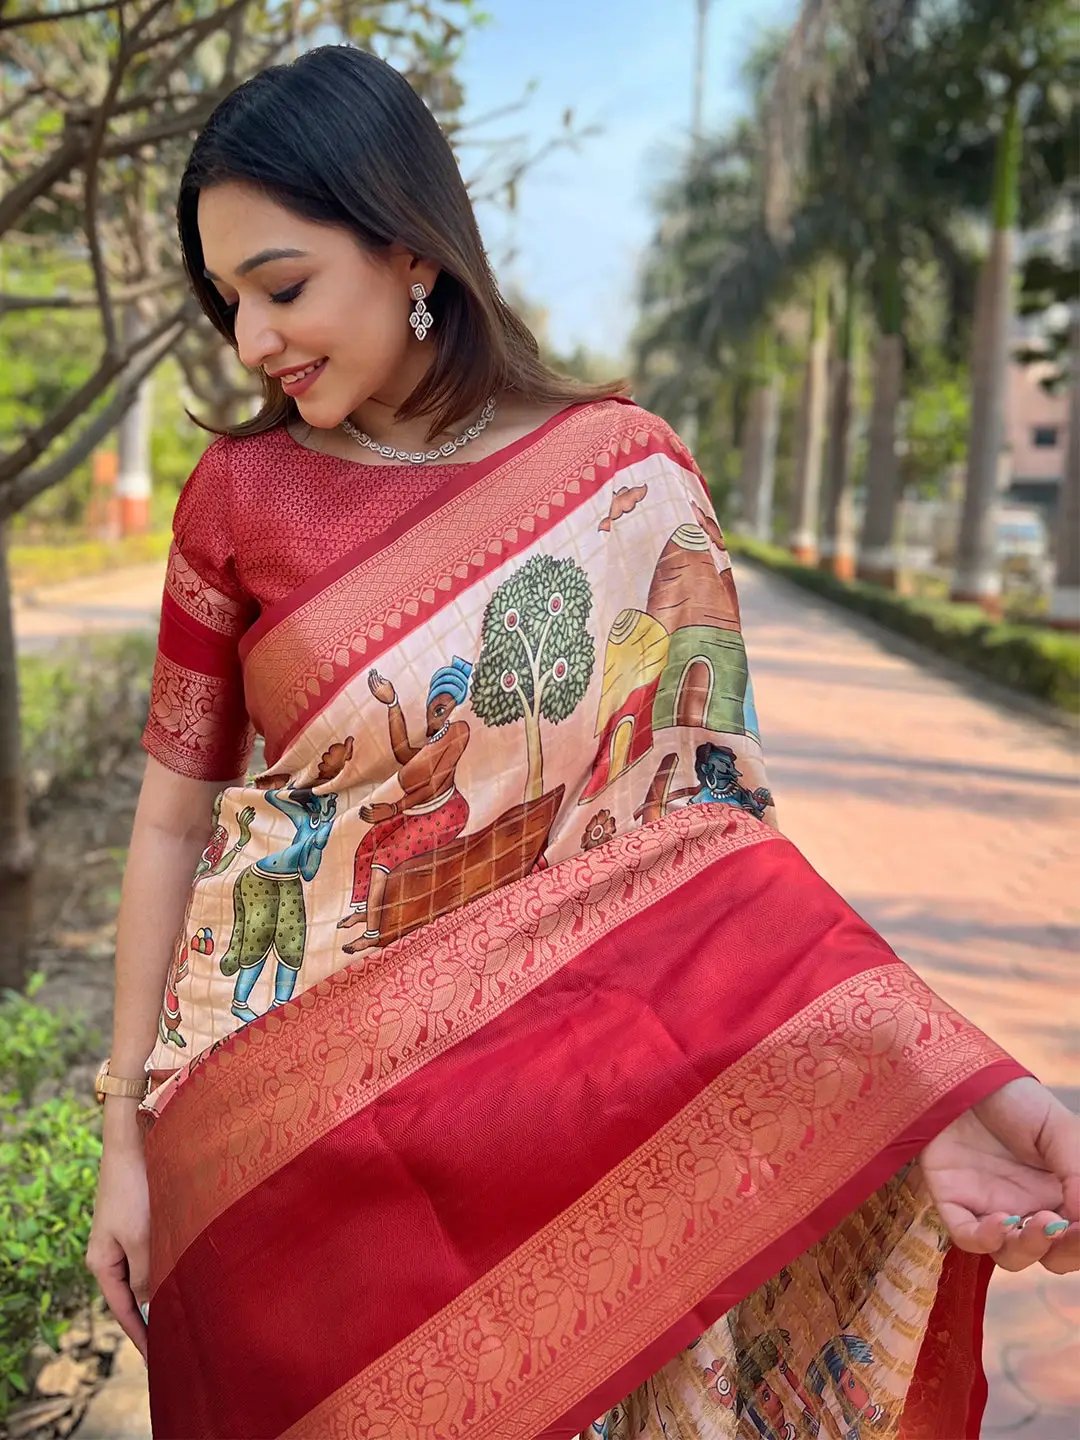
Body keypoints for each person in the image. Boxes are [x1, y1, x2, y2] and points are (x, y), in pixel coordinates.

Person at [85, 44, 1077, 1440]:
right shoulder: (239, 498)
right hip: (269, 1142)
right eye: (227, 300)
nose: (251, 342)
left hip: (548, 1127)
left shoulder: (625, 481)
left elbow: (712, 850)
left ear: (410, 248)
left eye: (283, 286)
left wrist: (929, 1083)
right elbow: (171, 815)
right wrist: (122, 1134)